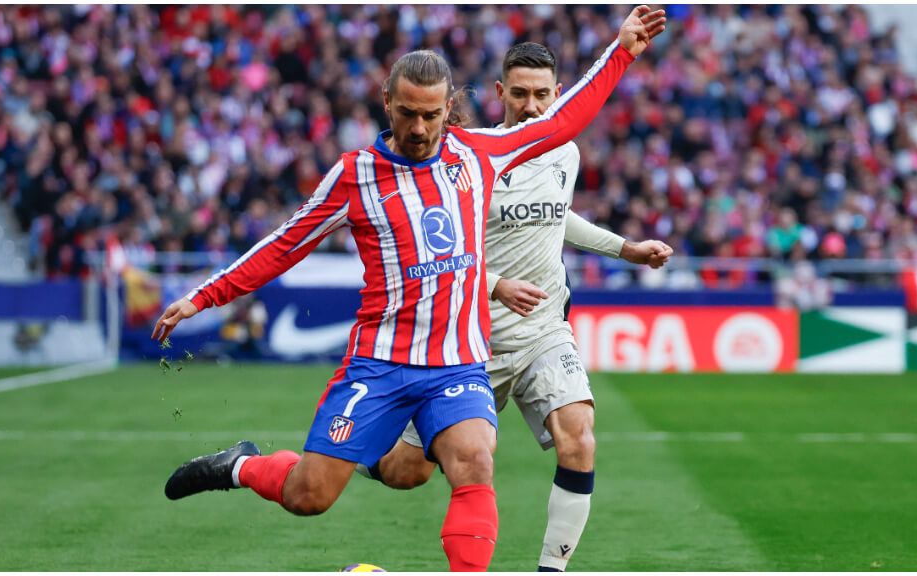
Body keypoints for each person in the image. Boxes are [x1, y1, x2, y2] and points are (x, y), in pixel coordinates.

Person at [152, 6, 667, 572]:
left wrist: (622, 51)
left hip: (458, 363)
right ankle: (242, 466)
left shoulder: (477, 156)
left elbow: (562, 121)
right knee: (311, 495)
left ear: (450, 110)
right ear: (386, 103)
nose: (419, 129)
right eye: (407, 114)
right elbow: (284, 243)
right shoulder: (355, 174)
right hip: (379, 362)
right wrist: (204, 295)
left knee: (474, 459)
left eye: (430, 115)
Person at [357, 42, 673, 572]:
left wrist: (625, 248)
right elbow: (438, 247)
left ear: (557, 94)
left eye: (543, 95)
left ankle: (550, 570)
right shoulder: (466, 159)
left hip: (543, 331)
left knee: (580, 436)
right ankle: (344, 460)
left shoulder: (564, 150)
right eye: (521, 94)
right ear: (501, 93)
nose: (532, 106)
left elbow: (557, 216)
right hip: (470, 342)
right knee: (404, 471)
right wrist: (498, 282)